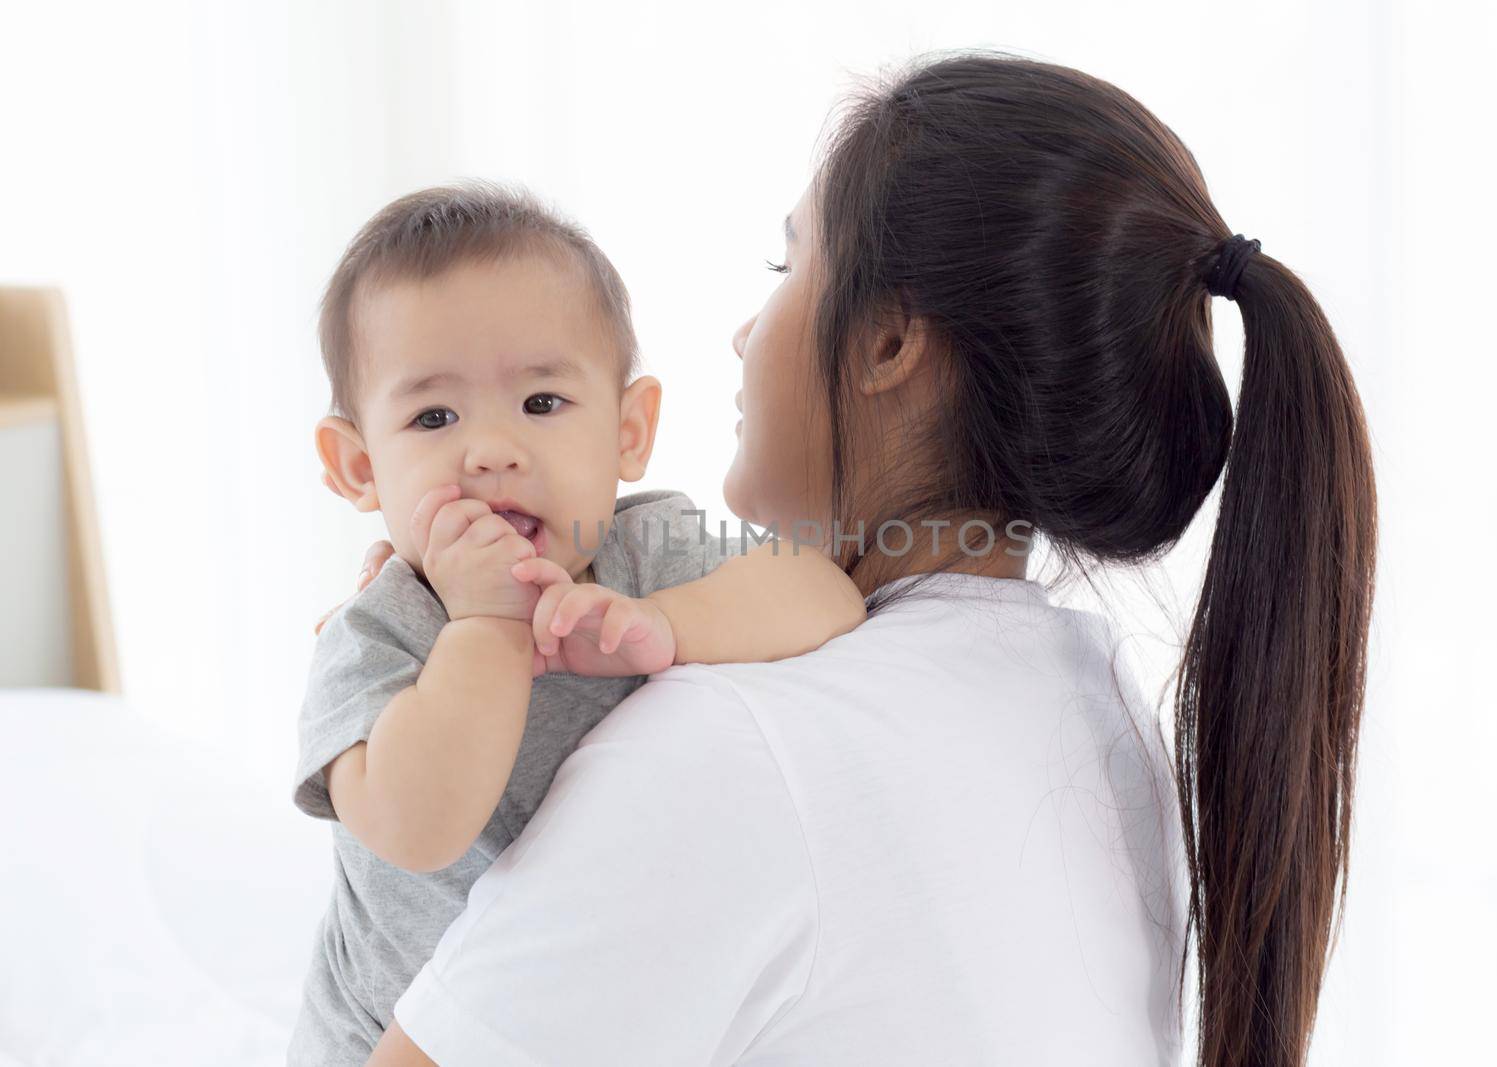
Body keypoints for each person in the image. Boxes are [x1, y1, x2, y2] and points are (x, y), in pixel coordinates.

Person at [362, 50, 1378, 1067]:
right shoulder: (1095, 709)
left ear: (887, 341)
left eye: (786, 267)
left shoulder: (741, 743)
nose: (742, 332)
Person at [290, 182, 867, 1063]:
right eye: (433, 417)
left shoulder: (643, 553)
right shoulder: (376, 636)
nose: (491, 449)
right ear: (360, 466)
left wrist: (664, 621)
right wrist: (486, 624)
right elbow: (418, 827)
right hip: (398, 1039)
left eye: (542, 403)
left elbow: (827, 596)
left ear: (629, 431)